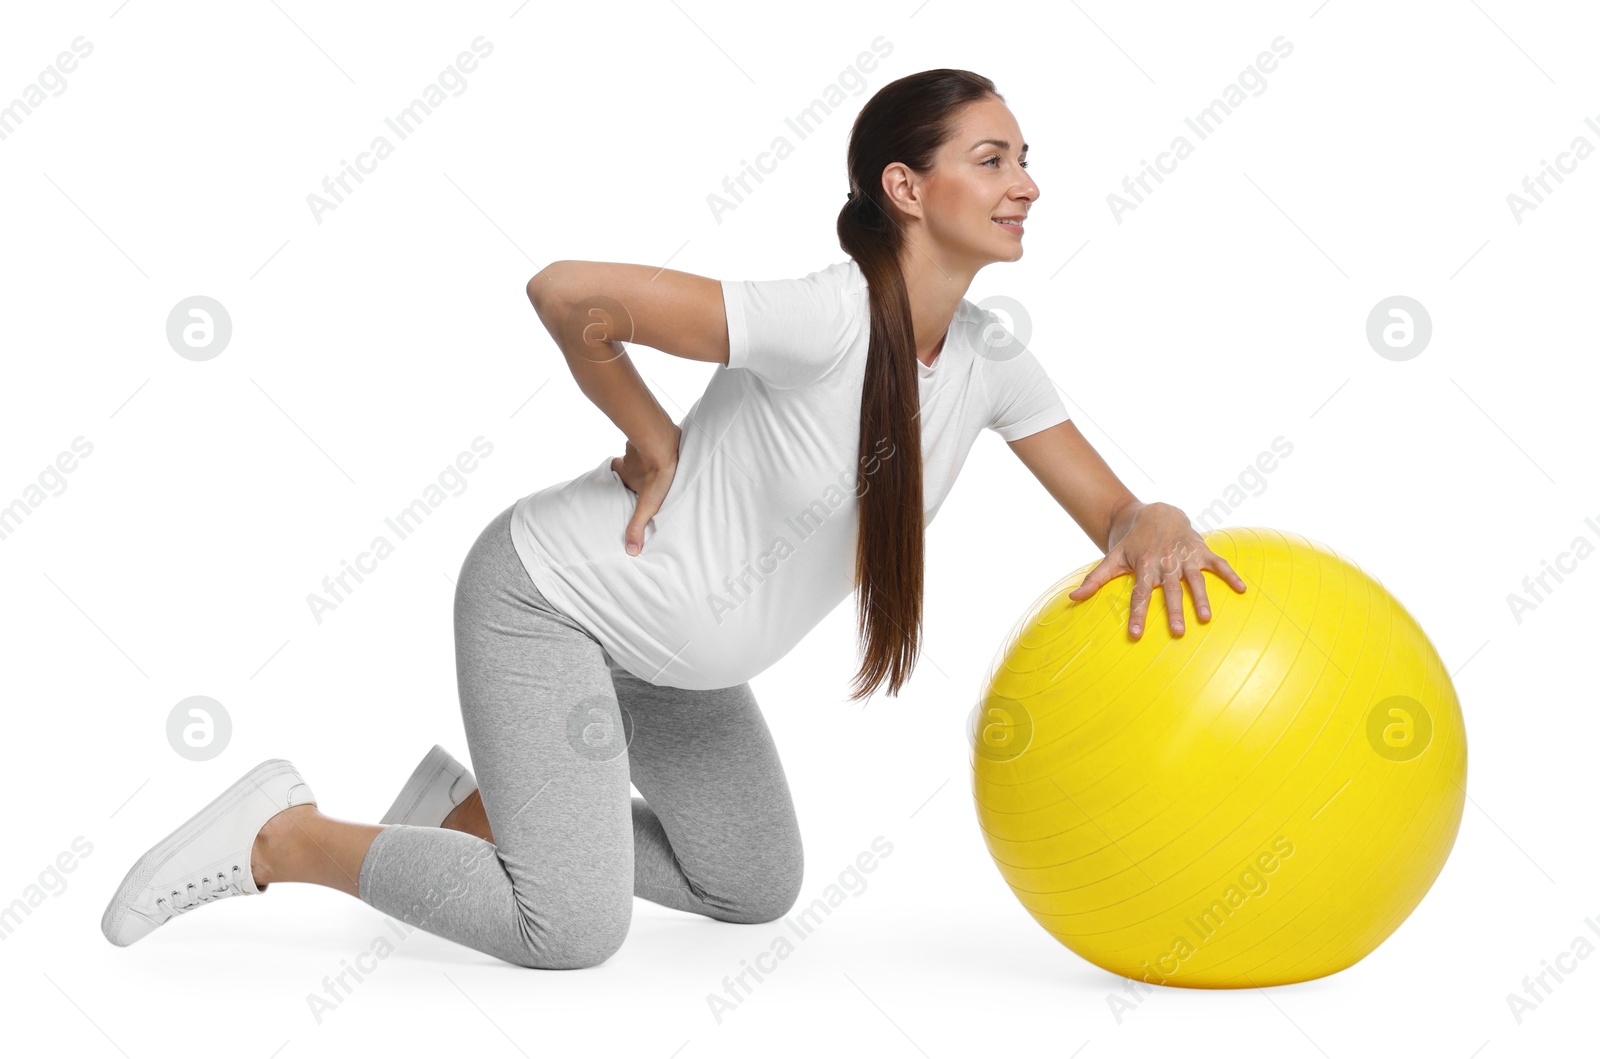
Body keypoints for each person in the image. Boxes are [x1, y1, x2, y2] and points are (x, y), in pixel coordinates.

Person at [101, 69, 1245, 969]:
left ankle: (459, 815)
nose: (1027, 183)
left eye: (1026, 160)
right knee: (569, 932)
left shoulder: (991, 359)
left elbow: (1114, 511)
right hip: (552, 605)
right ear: (906, 187)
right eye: (992, 159)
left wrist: (1154, 519)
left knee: (751, 887)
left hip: (674, 668)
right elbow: (564, 290)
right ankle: (282, 835)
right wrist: (651, 434)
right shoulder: (819, 316)